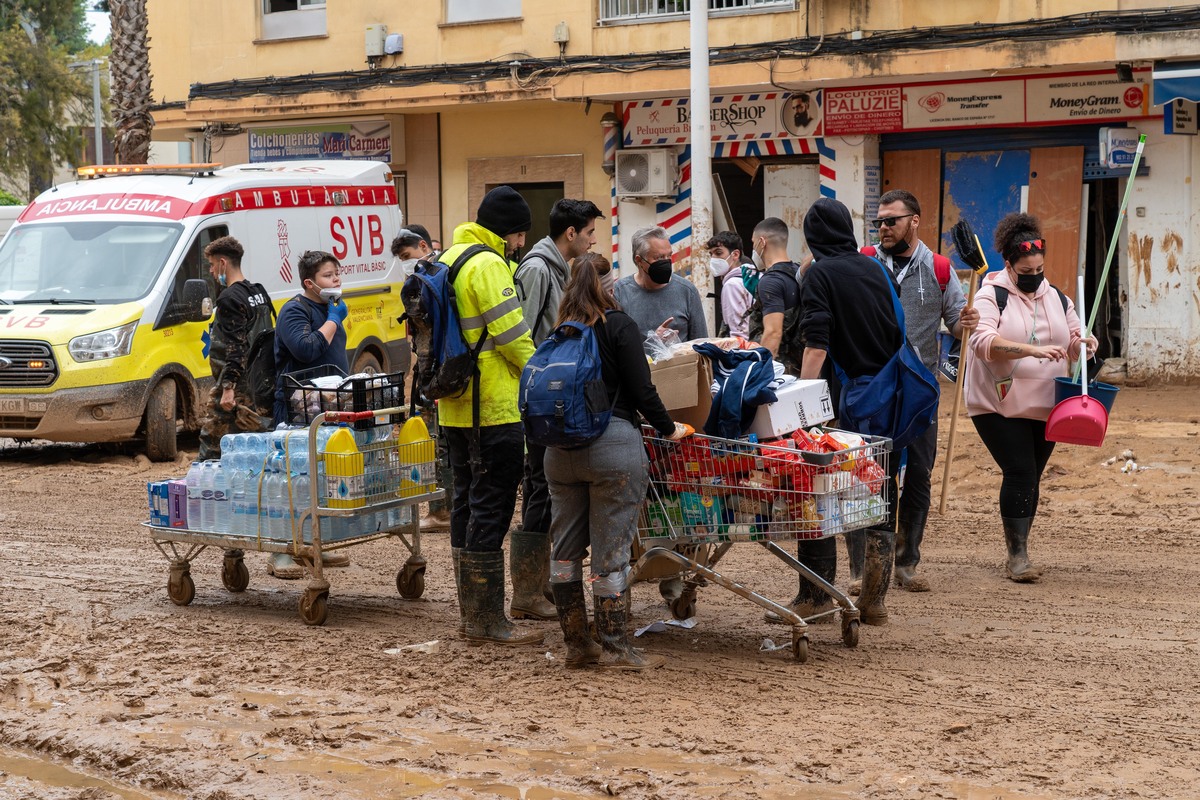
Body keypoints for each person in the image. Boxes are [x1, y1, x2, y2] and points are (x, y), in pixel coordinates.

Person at [546, 252, 689, 671]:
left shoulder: (558, 333)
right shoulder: (620, 326)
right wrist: (670, 429)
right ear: (608, 286)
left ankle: (577, 645)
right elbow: (644, 393)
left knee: (565, 552)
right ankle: (615, 645)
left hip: (558, 454)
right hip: (613, 448)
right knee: (611, 553)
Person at [964, 213, 1095, 583]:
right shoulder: (991, 294)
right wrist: (1030, 351)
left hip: (1046, 404)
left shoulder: (1057, 296)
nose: (1034, 274)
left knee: (1031, 478)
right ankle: (1017, 558)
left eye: (1039, 267)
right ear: (1009, 264)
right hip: (997, 403)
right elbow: (983, 342)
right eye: (1026, 268)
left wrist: (1083, 344)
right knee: (1020, 473)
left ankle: (1019, 547)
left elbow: (1072, 338)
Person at [795, 197, 905, 626]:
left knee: (822, 487)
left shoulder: (820, 274)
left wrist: (802, 403)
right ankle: (874, 601)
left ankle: (817, 595)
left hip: (856, 399)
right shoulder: (875, 267)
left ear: (814, 238)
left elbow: (817, 343)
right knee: (880, 487)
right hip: (893, 392)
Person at [861, 189, 979, 592]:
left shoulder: (940, 269)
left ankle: (907, 562)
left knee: (919, 477)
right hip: (873, 389)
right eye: (879, 221)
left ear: (914, 220)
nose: (883, 227)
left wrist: (969, 321)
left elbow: (958, 326)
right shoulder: (864, 262)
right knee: (873, 476)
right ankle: (867, 568)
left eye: (891, 220)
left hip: (921, 391)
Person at [441, 185, 542, 645]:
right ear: (509, 231)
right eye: (519, 236)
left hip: (455, 407)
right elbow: (513, 337)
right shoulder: (487, 264)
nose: (521, 245)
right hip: (495, 407)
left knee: (465, 501)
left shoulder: (448, 257)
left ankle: (471, 613)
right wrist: (542, 374)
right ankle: (485, 619)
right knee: (493, 506)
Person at [511, 199, 606, 621]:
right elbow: (523, 339)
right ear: (571, 233)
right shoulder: (536, 269)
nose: (592, 240)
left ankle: (544, 583)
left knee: (549, 495)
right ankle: (527, 591)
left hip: (558, 401)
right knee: (536, 491)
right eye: (588, 233)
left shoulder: (559, 268)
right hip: (543, 402)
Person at [270, 249, 353, 579]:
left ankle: (315, 545)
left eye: (337, 273)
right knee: (292, 481)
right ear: (309, 282)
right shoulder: (294, 311)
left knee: (321, 479)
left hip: (328, 405)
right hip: (297, 408)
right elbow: (306, 348)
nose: (335, 280)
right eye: (327, 276)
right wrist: (333, 321)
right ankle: (282, 551)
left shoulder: (329, 308)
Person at [391, 226, 455, 534]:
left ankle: (442, 510)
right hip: (445, 371)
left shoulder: (429, 279)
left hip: (438, 374)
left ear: (422, 245)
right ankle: (446, 508)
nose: (405, 263)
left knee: (439, 442)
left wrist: (429, 381)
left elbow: (428, 338)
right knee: (443, 442)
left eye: (406, 255)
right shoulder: (440, 273)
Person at [198, 235, 273, 462]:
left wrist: (228, 387)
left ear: (223, 263)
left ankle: (205, 488)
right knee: (254, 439)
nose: (211, 271)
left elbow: (236, 346)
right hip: (260, 380)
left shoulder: (229, 298)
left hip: (237, 383)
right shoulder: (257, 292)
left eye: (211, 265)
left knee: (212, 441)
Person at [614, 226, 708, 343]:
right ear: (639, 261)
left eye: (669, 255)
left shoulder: (687, 291)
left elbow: (701, 344)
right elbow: (615, 345)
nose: (666, 261)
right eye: (658, 257)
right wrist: (654, 341)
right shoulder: (620, 292)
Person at [747, 217, 804, 373]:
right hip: (800, 366)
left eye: (753, 243)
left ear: (762, 242)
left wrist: (760, 375)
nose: (753, 249)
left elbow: (773, 332)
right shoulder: (798, 272)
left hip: (781, 371)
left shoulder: (771, 281)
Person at [709, 231, 754, 339]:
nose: (713, 259)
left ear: (735, 254)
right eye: (711, 254)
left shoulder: (732, 285)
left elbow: (739, 333)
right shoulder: (754, 277)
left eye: (718, 253)